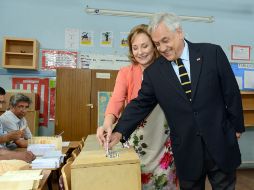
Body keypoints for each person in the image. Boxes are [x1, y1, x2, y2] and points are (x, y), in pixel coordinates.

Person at [98, 13, 245, 190]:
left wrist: (236, 127)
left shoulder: (211, 53)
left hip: (220, 142)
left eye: (165, 40)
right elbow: (140, 104)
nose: (162, 48)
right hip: (187, 152)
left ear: (179, 32)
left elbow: (231, 92)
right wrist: (119, 131)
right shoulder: (155, 73)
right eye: (158, 44)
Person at [97, 24, 177, 189]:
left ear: (155, 46)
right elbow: (117, 100)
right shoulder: (126, 72)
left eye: (145, 46)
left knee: (164, 182)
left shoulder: (169, 69)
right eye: (135, 48)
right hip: (136, 136)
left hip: (162, 140)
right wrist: (107, 123)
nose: (140, 52)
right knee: (134, 181)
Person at [0, 87, 35, 162]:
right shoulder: (6, 118)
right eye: (21, 107)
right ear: (12, 106)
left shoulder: (21, 117)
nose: (24, 110)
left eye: (1, 103)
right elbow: (21, 143)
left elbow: (29, 138)